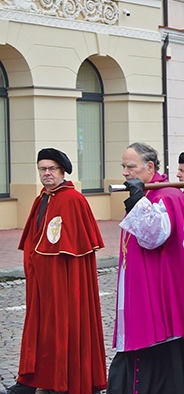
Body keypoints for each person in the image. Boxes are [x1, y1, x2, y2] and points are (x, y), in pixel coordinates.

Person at [7, 148, 106, 394]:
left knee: (64, 326)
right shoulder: (42, 198)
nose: (47, 173)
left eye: (52, 169)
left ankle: (67, 379)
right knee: (42, 328)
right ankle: (38, 379)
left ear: (62, 171)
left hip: (65, 280)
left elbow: (76, 249)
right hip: (42, 281)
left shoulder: (73, 200)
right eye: (43, 169)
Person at [107, 142, 184, 394]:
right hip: (141, 282)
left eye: (131, 167)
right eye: (123, 167)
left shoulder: (167, 194)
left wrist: (137, 199)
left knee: (161, 355)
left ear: (150, 167)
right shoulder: (149, 192)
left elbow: (154, 236)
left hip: (161, 289)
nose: (125, 173)